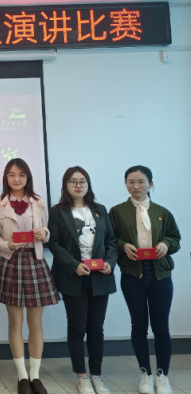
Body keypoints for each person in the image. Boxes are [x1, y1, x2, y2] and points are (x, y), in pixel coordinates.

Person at [0, 159, 59, 394]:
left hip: (35, 260)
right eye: (11, 174)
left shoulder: (38, 201)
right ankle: (22, 377)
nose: (16, 179)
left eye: (21, 175)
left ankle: (35, 376)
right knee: (15, 322)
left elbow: (48, 230)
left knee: (36, 323)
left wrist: (43, 233)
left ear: (28, 177)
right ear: (5, 178)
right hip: (11, 261)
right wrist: (6, 244)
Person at [109, 166, 181, 394]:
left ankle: (162, 375)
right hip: (133, 275)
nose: (136, 186)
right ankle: (145, 374)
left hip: (160, 274)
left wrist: (166, 244)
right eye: (131, 182)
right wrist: (123, 245)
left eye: (141, 181)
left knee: (161, 327)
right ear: (125, 184)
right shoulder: (117, 212)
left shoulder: (162, 212)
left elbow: (175, 239)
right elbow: (109, 239)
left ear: (151, 184)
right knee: (138, 326)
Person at [47, 167, 117, 394]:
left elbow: (111, 241)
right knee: (77, 328)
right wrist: (73, 265)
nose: (78, 185)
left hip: (99, 277)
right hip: (73, 276)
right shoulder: (58, 211)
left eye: (82, 181)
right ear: (65, 185)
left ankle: (96, 375)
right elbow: (54, 243)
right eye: (73, 181)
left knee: (96, 328)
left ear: (88, 184)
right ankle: (81, 376)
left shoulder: (99, 210)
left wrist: (110, 262)